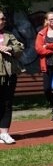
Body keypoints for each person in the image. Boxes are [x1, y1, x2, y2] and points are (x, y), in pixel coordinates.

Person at [0, 10, 24, 144]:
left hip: (9, 74)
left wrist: (10, 49)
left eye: (4, 19)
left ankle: (4, 133)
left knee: (7, 103)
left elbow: (20, 48)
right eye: (1, 19)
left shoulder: (9, 34)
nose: (3, 21)